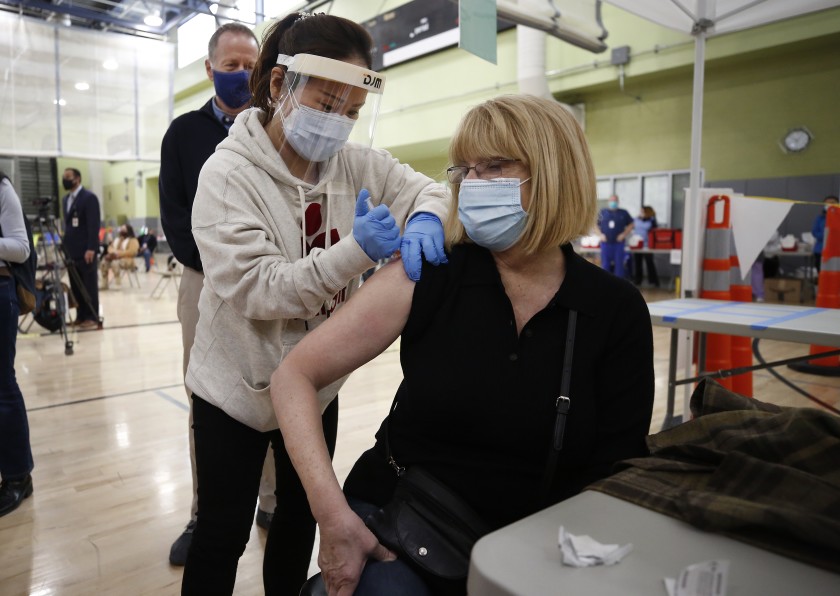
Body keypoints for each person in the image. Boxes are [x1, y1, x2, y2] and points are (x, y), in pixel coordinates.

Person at [271, 94, 655, 596]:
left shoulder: (613, 309)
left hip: (539, 539)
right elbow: (293, 375)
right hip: (404, 518)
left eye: (495, 167)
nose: (473, 185)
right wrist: (332, 515)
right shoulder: (429, 272)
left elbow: (619, 469)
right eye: (466, 171)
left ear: (554, 173)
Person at [180, 13, 449, 596]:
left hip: (315, 381)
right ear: (280, 86)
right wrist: (356, 253)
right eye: (327, 104)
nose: (339, 124)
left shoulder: (353, 165)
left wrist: (427, 214)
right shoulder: (227, 175)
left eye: (351, 112)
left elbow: (430, 188)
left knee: (301, 519)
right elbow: (260, 289)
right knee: (222, 531)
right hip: (236, 388)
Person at [158, 22, 271, 566]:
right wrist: (224, 270)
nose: (242, 75)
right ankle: (206, 510)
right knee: (207, 395)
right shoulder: (183, 134)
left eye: (250, 64)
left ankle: (271, 501)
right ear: (209, 69)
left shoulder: (274, 130)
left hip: (271, 281)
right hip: (203, 281)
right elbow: (176, 219)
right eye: (231, 65)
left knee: (276, 386)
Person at [0, 172, 34, 517]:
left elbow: (21, 248)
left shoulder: (2, 188)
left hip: (1, 292)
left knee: (2, 386)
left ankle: (17, 476)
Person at [61, 168, 101, 330]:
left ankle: (92, 316)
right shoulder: (66, 199)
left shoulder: (89, 198)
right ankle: (80, 315)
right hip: (71, 250)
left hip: (86, 251)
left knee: (88, 285)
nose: (65, 179)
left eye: (68, 177)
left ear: (77, 178)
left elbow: (93, 225)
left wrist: (91, 247)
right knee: (76, 286)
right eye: (64, 177)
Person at [598, 194, 633, 278]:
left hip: (619, 244)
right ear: (608, 202)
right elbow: (594, 225)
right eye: (611, 200)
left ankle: (619, 286)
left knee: (619, 265)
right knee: (605, 265)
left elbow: (631, 224)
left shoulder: (623, 213)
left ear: (618, 202)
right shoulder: (602, 212)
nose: (613, 202)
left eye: (615, 200)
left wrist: (623, 234)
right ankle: (606, 285)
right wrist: (600, 235)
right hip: (605, 243)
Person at [99, 223, 139, 289]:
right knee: (104, 262)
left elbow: (132, 252)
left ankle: (118, 283)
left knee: (115, 263)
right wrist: (113, 253)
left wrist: (118, 254)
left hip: (128, 260)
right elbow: (110, 248)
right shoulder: (117, 239)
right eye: (121, 229)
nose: (121, 231)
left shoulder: (133, 240)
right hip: (114, 258)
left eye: (123, 229)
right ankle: (104, 284)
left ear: (128, 231)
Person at [632, 205, 659, 287]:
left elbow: (655, 231)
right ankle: (638, 281)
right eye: (640, 211)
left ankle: (654, 281)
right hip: (637, 244)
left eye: (642, 211)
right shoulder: (636, 219)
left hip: (647, 245)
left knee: (649, 263)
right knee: (637, 263)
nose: (641, 213)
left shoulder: (652, 220)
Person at [813, 195, 839, 275]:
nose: (830, 205)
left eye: (832, 203)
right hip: (821, 250)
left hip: (836, 252)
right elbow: (815, 232)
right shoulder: (820, 218)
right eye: (827, 203)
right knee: (822, 273)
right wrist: (827, 235)